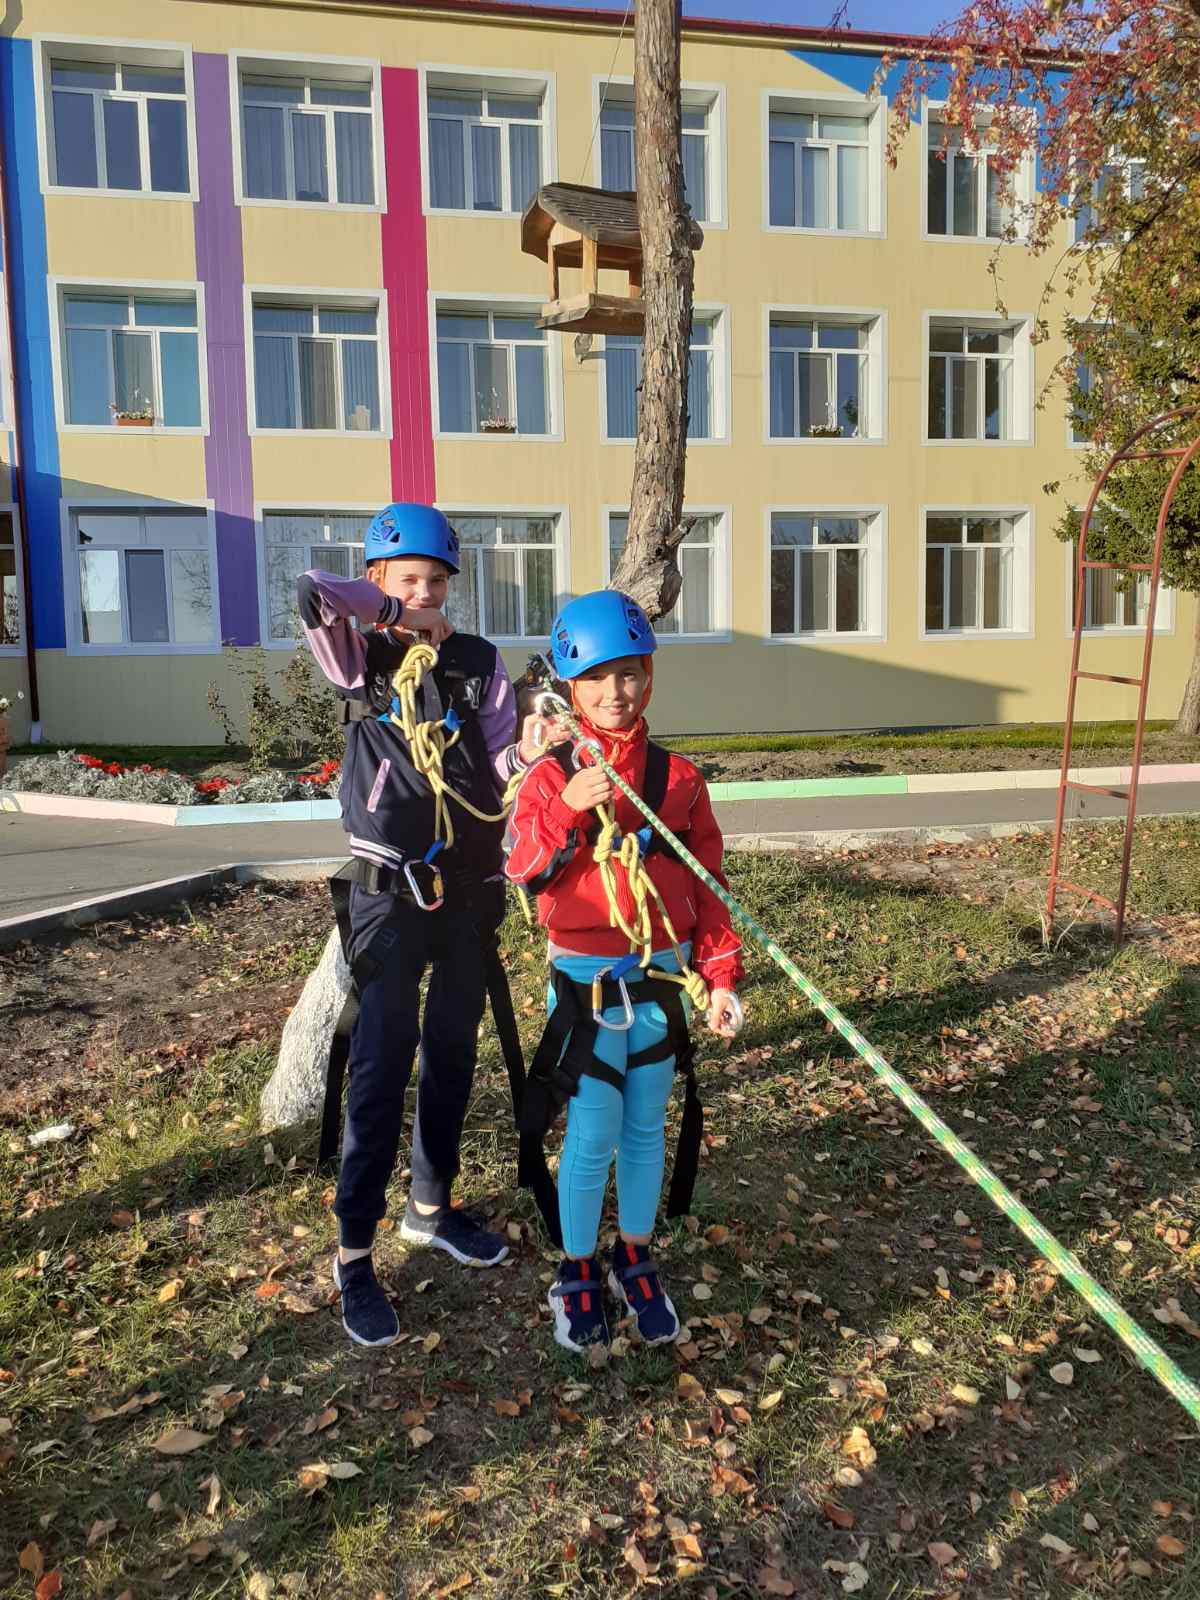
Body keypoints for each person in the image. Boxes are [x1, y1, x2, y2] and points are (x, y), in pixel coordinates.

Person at [298, 502, 549, 1347]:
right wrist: (394, 616)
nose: (427, 593)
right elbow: (311, 593)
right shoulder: (361, 654)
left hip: (468, 889)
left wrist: (532, 751)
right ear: (379, 580)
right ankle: (354, 1254)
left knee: (451, 1051)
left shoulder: (477, 661)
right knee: (380, 1064)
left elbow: (498, 761)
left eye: (437, 580)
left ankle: (430, 1208)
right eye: (409, 579)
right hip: (388, 893)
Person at [505, 590, 745, 1353]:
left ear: (650, 675)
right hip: (587, 984)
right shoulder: (552, 777)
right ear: (570, 688)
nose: (616, 692)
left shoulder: (678, 781)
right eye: (597, 678)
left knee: (645, 1126)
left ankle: (633, 1256)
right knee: (593, 1129)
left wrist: (721, 976)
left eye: (630, 673)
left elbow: (708, 886)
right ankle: (576, 1268)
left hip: (662, 980)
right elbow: (522, 865)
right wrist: (568, 807)